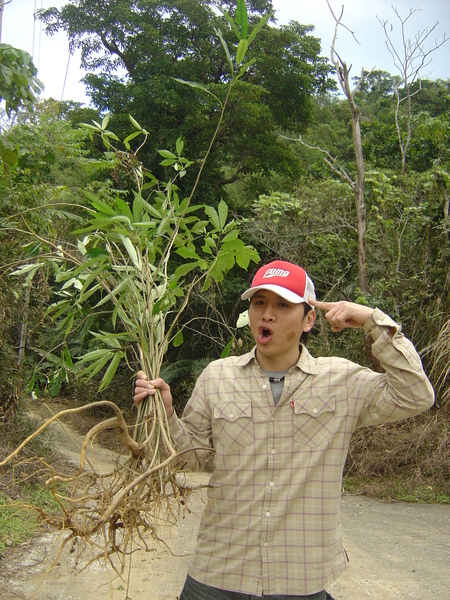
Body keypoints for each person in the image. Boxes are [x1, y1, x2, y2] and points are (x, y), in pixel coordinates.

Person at [134, 260, 434, 600]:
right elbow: (192, 458)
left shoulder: (341, 381)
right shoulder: (217, 377)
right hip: (217, 572)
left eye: (282, 305)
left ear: (308, 319)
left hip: (300, 578)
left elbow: (415, 394)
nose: (267, 314)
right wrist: (167, 413)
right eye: (259, 303)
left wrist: (370, 319)